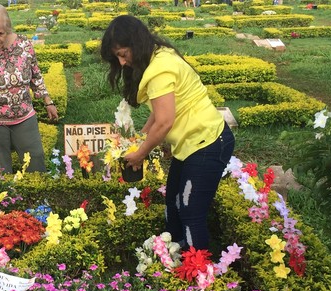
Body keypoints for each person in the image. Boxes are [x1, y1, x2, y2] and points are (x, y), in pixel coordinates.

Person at [100, 15, 235, 252]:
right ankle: (176, 254)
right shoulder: (158, 56)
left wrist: (140, 153)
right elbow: (159, 111)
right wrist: (138, 139)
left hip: (207, 143)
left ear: (136, 43)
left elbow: (164, 122)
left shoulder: (160, 69)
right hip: (191, 145)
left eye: (123, 54)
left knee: (191, 211)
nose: (121, 63)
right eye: (118, 57)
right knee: (173, 202)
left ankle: (200, 272)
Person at [0, 4, 58, 173]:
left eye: (1, 33)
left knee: (35, 161)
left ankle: (38, 199)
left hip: (24, 114)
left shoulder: (24, 44)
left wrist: (47, 101)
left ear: (8, 28)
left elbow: (35, 74)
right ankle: (4, 199)